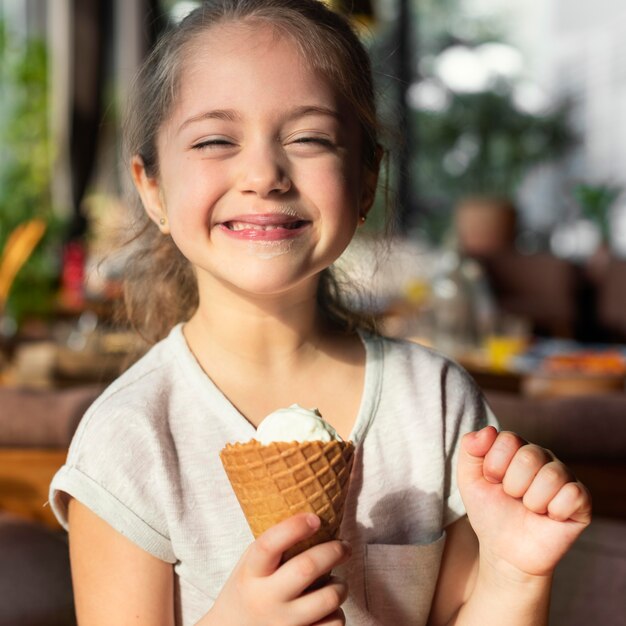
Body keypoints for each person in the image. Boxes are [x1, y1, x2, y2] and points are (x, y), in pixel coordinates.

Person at [49, 1, 591, 624]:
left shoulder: (436, 405)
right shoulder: (130, 438)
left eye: (308, 138)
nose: (264, 174)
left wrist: (515, 575)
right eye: (214, 139)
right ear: (152, 189)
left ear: (365, 182)